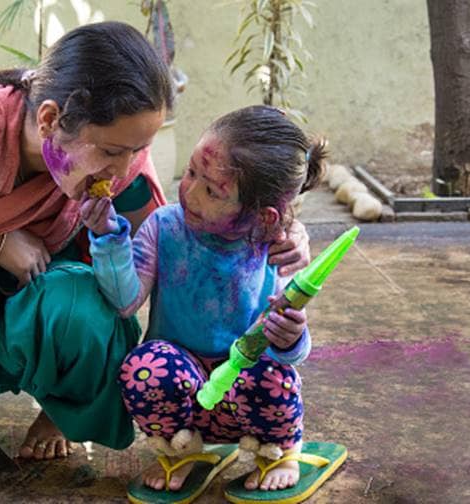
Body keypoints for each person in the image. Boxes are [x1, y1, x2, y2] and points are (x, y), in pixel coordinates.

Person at [0, 22, 312, 482]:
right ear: (50, 119)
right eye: (114, 151)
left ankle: (57, 411)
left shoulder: (124, 163)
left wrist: (276, 233)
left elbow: (175, 244)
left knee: (88, 303)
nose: (124, 169)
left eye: (139, 149)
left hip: (31, 317)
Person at [80, 105, 324, 496]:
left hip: (244, 393)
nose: (190, 193)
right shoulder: (165, 226)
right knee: (143, 367)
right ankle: (184, 452)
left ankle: (280, 452)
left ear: (263, 217)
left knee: (273, 376)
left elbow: (292, 355)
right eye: (192, 172)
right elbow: (125, 302)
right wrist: (108, 237)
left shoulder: (274, 249)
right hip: (183, 394)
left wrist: (292, 337)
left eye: (212, 190)